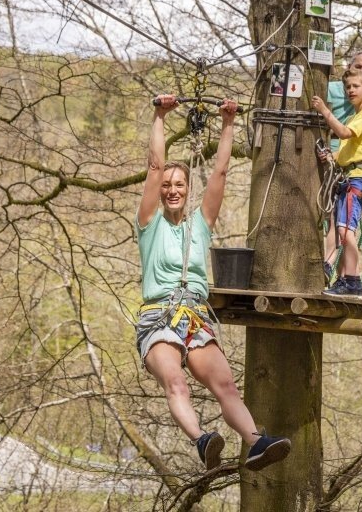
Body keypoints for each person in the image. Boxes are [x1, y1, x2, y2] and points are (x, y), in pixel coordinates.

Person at [135, 94, 291, 471]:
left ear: (188, 190)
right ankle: (202, 439)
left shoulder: (199, 226)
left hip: (194, 319)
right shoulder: (149, 224)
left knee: (226, 386)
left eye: (180, 185)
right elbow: (155, 166)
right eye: (167, 185)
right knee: (177, 383)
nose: (172, 190)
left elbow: (219, 173)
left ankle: (255, 442)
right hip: (159, 318)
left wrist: (228, 124)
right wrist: (160, 116)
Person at [312, 69, 362, 298]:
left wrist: (324, 111)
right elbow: (345, 154)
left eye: (356, 86)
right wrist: (330, 157)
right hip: (351, 177)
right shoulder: (354, 117)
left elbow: (342, 133)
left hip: (360, 178)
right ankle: (347, 280)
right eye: (348, 87)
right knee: (343, 229)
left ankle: (352, 281)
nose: (351, 90)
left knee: (345, 230)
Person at [326, 52, 362, 153]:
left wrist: (342, 130)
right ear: (348, 67)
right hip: (331, 148)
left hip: (357, 149)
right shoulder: (329, 88)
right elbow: (321, 123)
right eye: (358, 67)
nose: (361, 71)